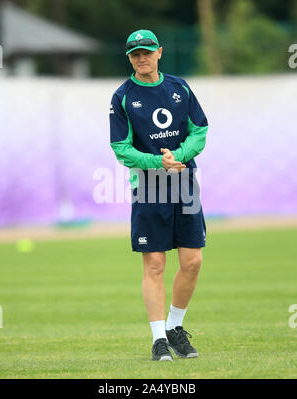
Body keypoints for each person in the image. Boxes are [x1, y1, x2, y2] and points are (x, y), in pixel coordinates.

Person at [109, 29, 208, 361]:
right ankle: (158, 341)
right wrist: (156, 162)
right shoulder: (122, 96)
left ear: (160, 52)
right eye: (135, 54)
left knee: (192, 261)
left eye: (147, 52)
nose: (142, 58)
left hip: (183, 180)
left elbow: (200, 130)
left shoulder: (179, 87)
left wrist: (177, 157)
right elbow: (121, 149)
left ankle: (175, 328)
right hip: (149, 186)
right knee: (154, 264)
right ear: (129, 58)